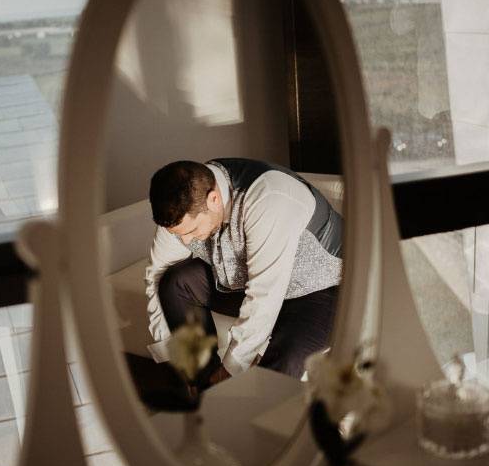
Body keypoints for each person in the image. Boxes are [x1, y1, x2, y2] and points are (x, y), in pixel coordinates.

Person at [145, 158, 343, 386]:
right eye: (179, 235)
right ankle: (207, 390)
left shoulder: (270, 197)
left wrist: (231, 368)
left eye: (192, 230)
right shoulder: (182, 201)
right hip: (242, 278)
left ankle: (248, 415)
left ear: (214, 200)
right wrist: (171, 352)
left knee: (288, 358)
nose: (186, 240)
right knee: (176, 282)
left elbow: (263, 295)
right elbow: (156, 273)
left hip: (319, 288)